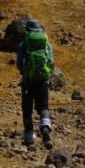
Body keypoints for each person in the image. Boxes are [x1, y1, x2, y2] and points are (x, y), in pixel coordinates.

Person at [16, 17, 55, 147]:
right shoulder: (46, 43)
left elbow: (19, 63)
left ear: (28, 30)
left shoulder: (24, 43)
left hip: (28, 80)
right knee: (43, 106)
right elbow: (51, 61)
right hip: (43, 80)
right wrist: (47, 75)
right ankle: (45, 129)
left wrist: (24, 73)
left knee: (27, 108)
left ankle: (29, 137)